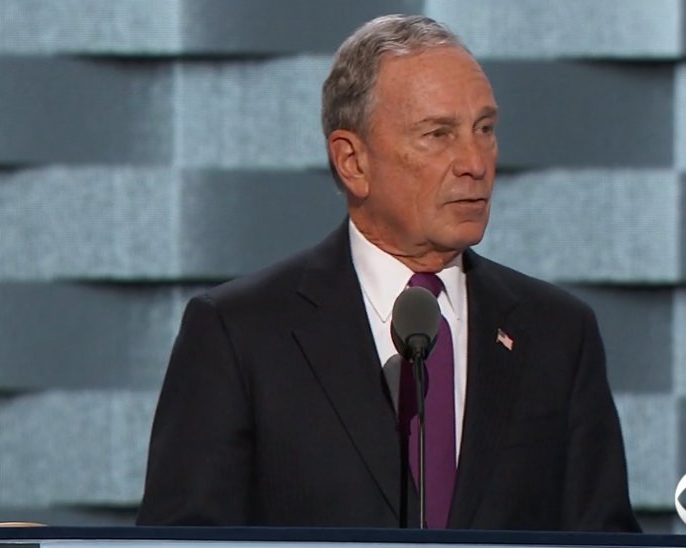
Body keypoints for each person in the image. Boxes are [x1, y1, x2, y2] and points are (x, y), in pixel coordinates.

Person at [137, 14, 639, 532]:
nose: (475, 162)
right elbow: (183, 539)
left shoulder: (557, 333)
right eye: (438, 134)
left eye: (484, 129)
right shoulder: (240, 333)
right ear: (353, 161)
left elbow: (604, 537)